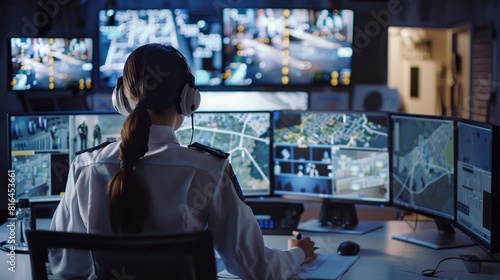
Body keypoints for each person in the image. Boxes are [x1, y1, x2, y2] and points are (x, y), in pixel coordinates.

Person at [49, 43, 315, 279]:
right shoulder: (210, 169)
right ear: (189, 100)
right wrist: (298, 254)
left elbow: (65, 268)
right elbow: (257, 269)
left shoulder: (85, 167)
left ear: (121, 99)